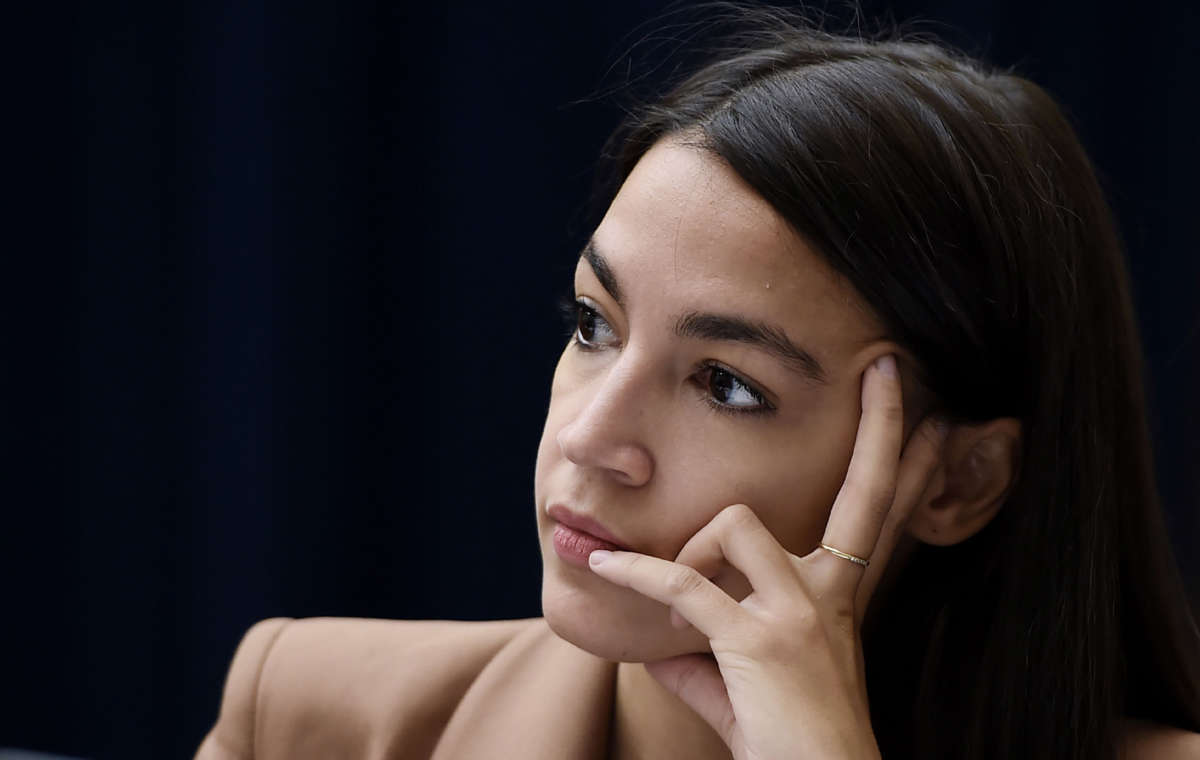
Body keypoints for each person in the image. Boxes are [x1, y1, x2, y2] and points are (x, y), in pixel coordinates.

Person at [195, 8, 1200, 760]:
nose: (590, 437)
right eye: (594, 324)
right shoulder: (306, 714)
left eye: (724, 383)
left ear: (959, 482)